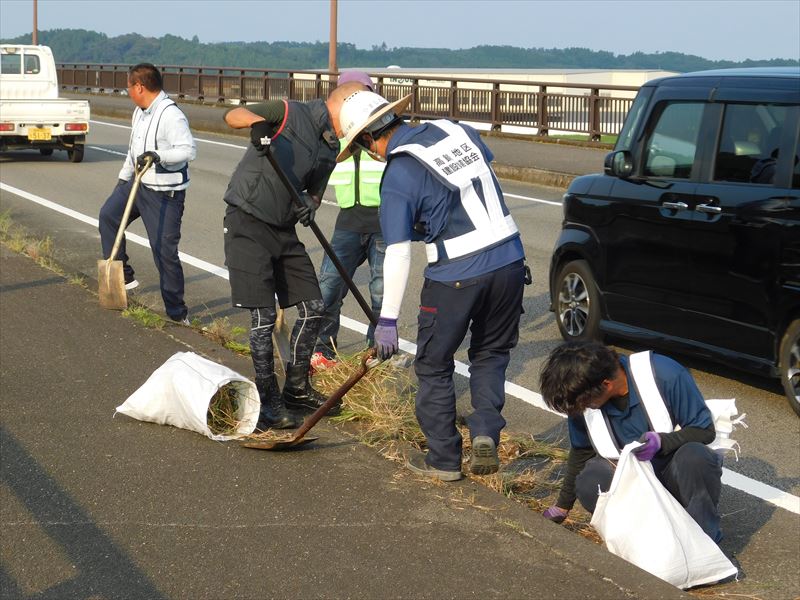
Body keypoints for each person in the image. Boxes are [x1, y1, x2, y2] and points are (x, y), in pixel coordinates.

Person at [333, 90, 528, 481]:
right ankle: (485, 430)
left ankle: (443, 460)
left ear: (369, 140)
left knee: (434, 364)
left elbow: (399, 253)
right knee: (490, 354)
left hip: (455, 273)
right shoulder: (457, 129)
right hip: (510, 259)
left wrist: (387, 320)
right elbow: (470, 186)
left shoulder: (398, 174)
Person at [221, 81, 365, 430]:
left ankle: (297, 388)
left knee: (314, 306)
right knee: (264, 316)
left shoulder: (332, 148)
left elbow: (314, 195)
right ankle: (269, 403)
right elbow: (233, 114)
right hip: (247, 221)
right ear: (342, 107)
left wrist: (308, 207)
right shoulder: (289, 112)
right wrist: (257, 126)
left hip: (284, 230)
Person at [538, 341, 724, 543]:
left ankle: (703, 540)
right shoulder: (582, 397)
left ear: (606, 384)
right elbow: (581, 451)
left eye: (584, 403)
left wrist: (664, 441)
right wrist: (563, 505)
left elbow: (705, 430)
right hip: (632, 480)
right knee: (591, 480)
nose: (582, 408)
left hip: (672, 472)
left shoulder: (664, 374)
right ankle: (642, 539)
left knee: (695, 457)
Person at [98, 63, 196, 324]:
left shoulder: (170, 115)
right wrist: (122, 181)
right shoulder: (139, 113)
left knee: (163, 251)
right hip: (137, 185)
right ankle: (125, 275)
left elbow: (188, 151)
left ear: (139, 87)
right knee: (108, 216)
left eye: (129, 86)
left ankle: (177, 313)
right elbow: (133, 152)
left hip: (165, 194)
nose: (128, 91)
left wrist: (159, 155)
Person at [312, 71, 387, 370]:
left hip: (384, 223)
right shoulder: (334, 133)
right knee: (328, 288)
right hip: (347, 223)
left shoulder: (385, 131)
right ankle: (323, 350)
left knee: (381, 295)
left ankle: (377, 355)